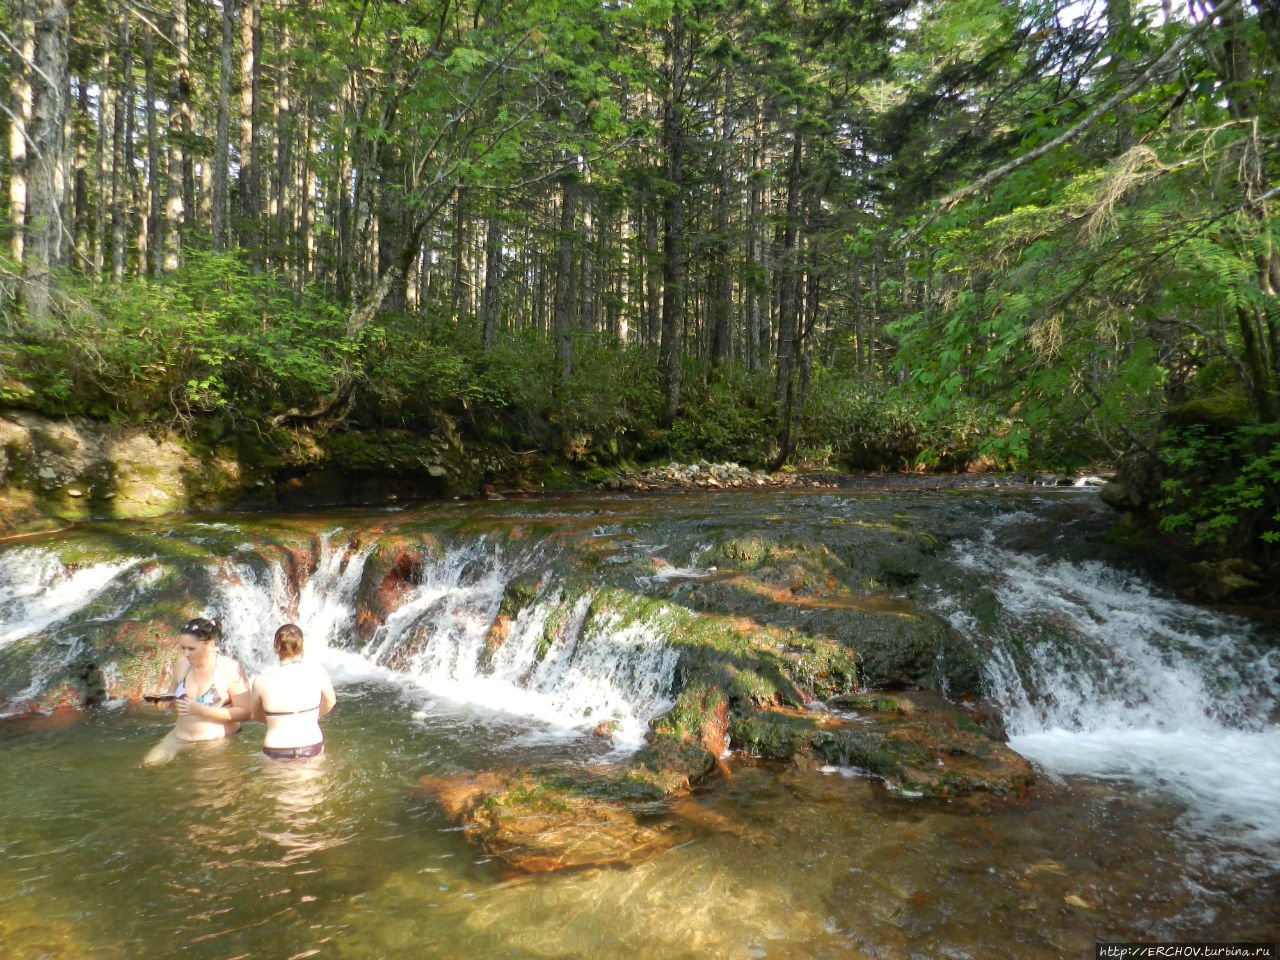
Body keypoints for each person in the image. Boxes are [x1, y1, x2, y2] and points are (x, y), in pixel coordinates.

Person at [144, 617, 251, 765]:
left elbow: (245, 712)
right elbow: (172, 693)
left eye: (191, 649)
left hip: (215, 743)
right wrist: (164, 702)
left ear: (210, 644)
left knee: (204, 786)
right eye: (183, 648)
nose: (186, 654)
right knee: (148, 765)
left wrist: (201, 710)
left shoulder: (229, 669)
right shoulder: (182, 663)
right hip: (179, 737)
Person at [252, 624, 336, 760]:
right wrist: (315, 716)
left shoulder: (260, 681)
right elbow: (330, 701)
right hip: (310, 744)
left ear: (276, 648)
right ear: (301, 647)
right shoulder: (318, 673)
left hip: (276, 748)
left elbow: (256, 715)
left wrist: (277, 722)